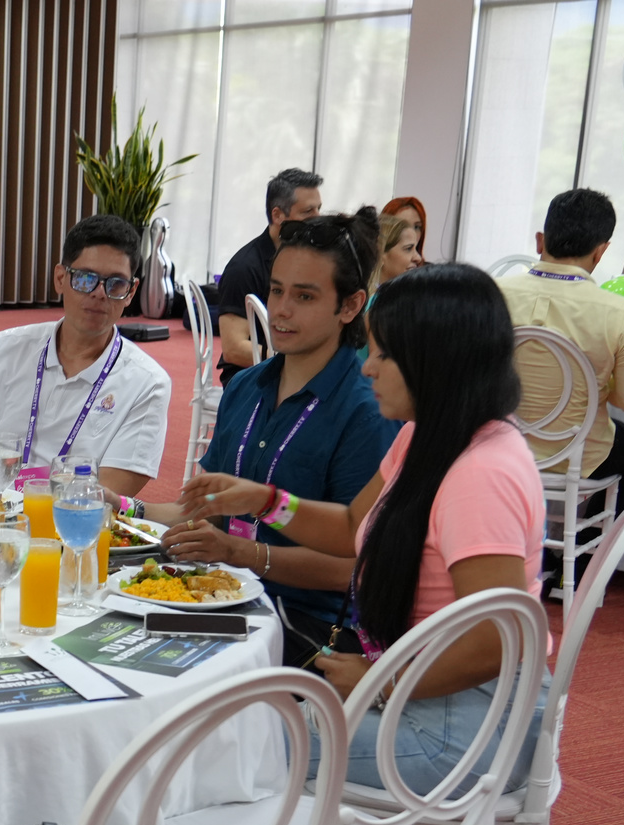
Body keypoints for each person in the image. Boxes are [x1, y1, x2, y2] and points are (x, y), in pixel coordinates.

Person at [184, 264, 547, 793]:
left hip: (467, 726)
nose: (368, 369)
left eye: (383, 355)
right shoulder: (429, 435)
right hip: (428, 691)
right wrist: (265, 501)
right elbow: (356, 525)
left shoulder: (480, 473)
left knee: (218, 744)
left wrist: (382, 680)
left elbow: (498, 638)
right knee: (228, 726)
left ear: (434, 359)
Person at [145, 209, 396, 664]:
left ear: (350, 306)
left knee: (163, 669)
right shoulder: (246, 385)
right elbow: (204, 509)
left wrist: (243, 553)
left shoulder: (367, 411)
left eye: (304, 296)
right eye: (276, 290)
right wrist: (124, 509)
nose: (280, 309)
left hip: (310, 625)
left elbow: (353, 568)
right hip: (224, 595)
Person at [497, 188, 624, 583]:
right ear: (600, 252)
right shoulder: (617, 311)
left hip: (498, 443)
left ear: (541, 240)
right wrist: (600, 386)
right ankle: (584, 568)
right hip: (577, 454)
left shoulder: (492, 294)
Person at [0, 214, 169, 500]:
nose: (99, 294)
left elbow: (100, 500)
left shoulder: (148, 384)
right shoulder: (4, 350)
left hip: (72, 524)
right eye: (86, 278)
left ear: (131, 292)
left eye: (116, 284)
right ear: (60, 278)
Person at [216, 168, 324, 383]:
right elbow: (233, 349)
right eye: (308, 212)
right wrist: (296, 360)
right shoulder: (244, 268)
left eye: (319, 209)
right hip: (251, 378)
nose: (318, 219)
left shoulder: (311, 259)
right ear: (277, 215)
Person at [373, 213, 423, 292]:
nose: (418, 258)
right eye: (408, 249)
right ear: (379, 255)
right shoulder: (366, 299)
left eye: (415, 248)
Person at [382, 196, 428, 262]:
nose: (412, 233)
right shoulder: (369, 267)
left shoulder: (430, 268)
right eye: (403, 226)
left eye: (416, 227)